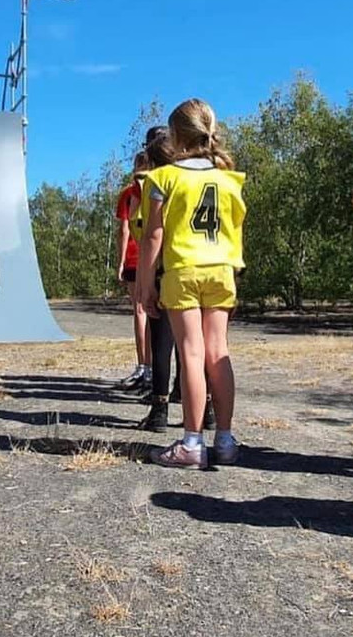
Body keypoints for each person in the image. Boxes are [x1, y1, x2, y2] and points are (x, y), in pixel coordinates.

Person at [138, 99, 246, 469]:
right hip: (221, 270)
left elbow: (153, 236)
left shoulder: (162, 179)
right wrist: (234, 275)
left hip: (183, 271)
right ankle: (226, 440)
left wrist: (145, 284)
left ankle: (192, 443)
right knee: (218, 351)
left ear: (176, 136)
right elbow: (235, 230)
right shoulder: (229, 179)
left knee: (191, 354)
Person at [136, 125, 213, 433]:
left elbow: (149, 235)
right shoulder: (201, 180)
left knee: (163, 340)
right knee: (198, 344)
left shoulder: (157, 183)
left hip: (170, 267)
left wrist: (145, 282)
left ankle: (159, 408)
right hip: (207, 264)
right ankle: (208, 410)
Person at [115, 152, 151, 391]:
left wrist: (120, 262)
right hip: (160, 258)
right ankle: (158, 370)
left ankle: (144, 367)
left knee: (140, 310)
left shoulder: (130, 193)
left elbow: (124, 229)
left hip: (135, 257)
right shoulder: (165, 186)